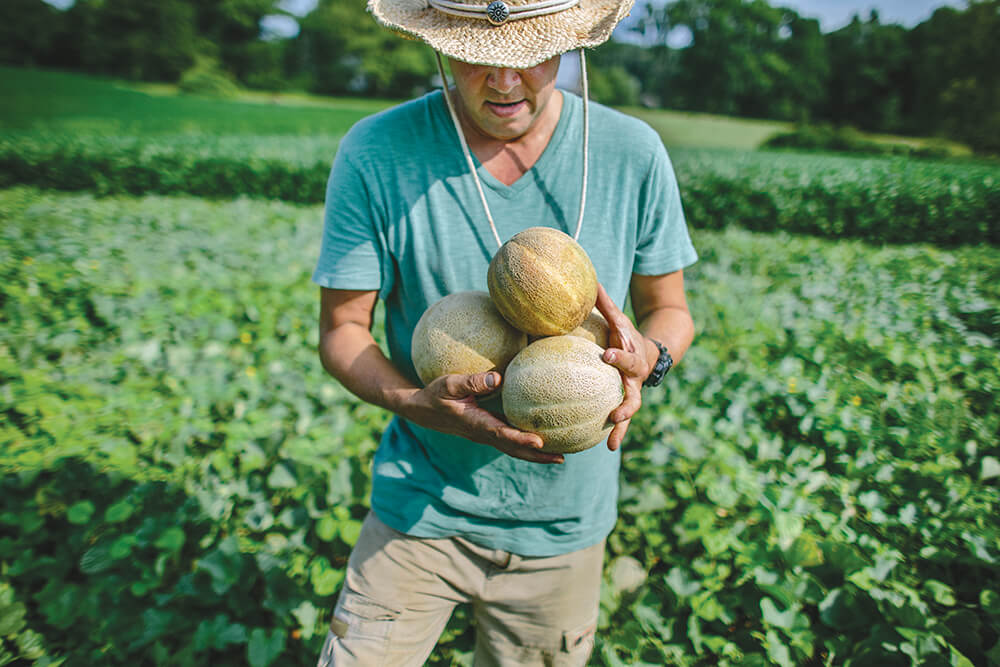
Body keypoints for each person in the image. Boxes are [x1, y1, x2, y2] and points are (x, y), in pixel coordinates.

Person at [312, 0, 697, 663]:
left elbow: (672, 311)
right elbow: (343, 328)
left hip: (563, 530)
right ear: (439, 46)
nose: (504, 82)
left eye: (529, 55)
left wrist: (648, 357)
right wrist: (412, 401)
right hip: (419, 506)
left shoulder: (632, 152)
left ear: (570, 44)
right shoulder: (377, 152)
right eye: (477, 58)